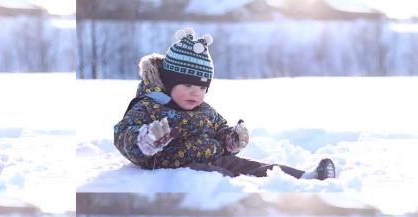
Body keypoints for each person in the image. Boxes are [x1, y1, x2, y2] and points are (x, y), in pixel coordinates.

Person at [114, 27, 336, 180]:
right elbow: (123, 134)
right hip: (179, 169)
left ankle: (305, 178)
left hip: (216, 159)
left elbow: (220, 129)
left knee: (256, 168)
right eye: (188, 85)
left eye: (202, 88)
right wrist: (145, 140)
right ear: (170, 82)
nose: (196, 93)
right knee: (222, 178)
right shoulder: (149, 106)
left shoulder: (206, 111)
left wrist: (232, 139)